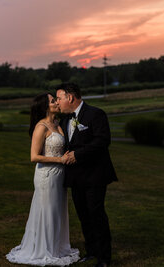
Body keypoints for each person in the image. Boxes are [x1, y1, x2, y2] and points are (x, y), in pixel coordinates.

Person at [6, 93, 79, 266]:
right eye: (53, 101)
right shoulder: (41, 126)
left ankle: (56, 246)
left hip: (60, 176)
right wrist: (60, 160)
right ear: (45, 107)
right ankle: (44, 249)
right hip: (46, 176)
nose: (56, 102)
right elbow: (34, 156)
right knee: (47, 211)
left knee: (57, 211)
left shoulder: (57, 123)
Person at [56, 83, 118, 267]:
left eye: (59, 98)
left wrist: (77, 154)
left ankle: (104, 258)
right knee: (83, 215)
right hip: (75, 177)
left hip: (94, 175)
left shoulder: (96, 114)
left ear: (70, 97)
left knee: (96, 214)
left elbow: (102, 141)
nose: (58, 102)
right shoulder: (65, 120)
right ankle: (91, 251)